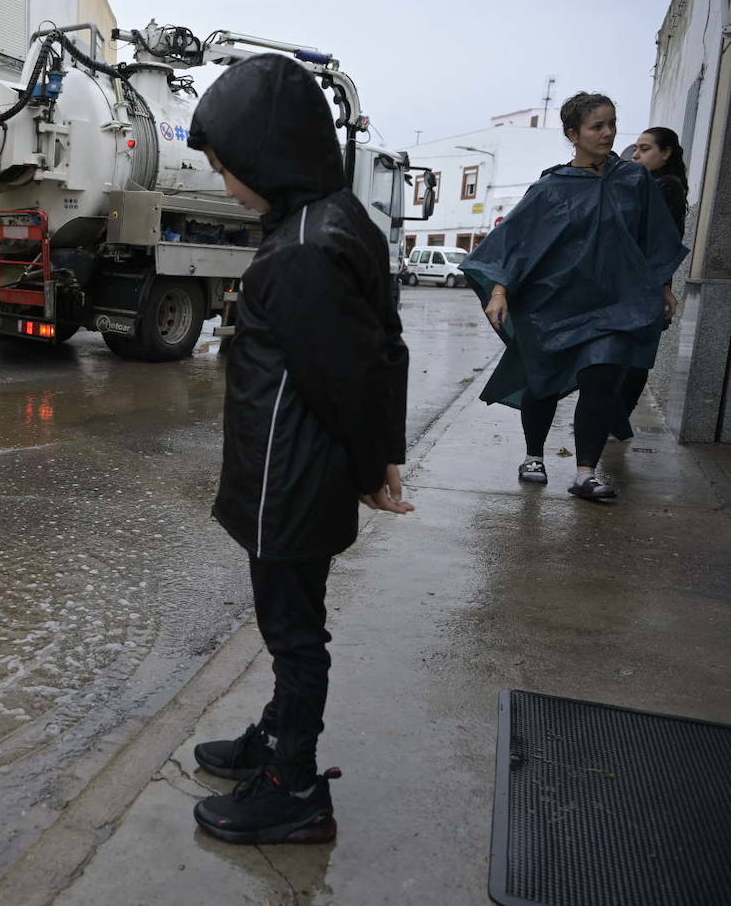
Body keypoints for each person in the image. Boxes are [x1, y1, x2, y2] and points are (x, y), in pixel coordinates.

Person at [184, 55, 413, 846]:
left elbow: (348, 373)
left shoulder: (302, 250)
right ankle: (276, 735)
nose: (226, 187)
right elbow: (381, 346)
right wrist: (380, 452)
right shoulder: (333, 218)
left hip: (289, 479)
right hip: (295, 473)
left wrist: (375, 462)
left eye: (227, 170)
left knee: (291, 631)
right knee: (293, 621)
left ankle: (293, 784)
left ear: (268, 153)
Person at [460, 93, 687, 500]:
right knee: (542, 381)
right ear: (573, 134)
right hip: (554, 303)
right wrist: (500, 290)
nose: (608, 133)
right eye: (597, 126)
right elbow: (517, 241)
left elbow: (654, 237)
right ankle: (534, 455)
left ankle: (586, 472)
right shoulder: (551, 188)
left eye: (612, 124)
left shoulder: (635, 181)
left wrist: (664, 284)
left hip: (618, 302)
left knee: (602, 378)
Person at [614, 127, 689, 438]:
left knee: (633, 359)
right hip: (638, 283)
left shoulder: (665, 187)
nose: (636, 155)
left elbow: (659, 243)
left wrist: (662, 287)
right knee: (626, 357)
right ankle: (614, 421)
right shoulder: (649, 184)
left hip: (643, 285)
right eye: (636, 149)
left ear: (666, 153)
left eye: (645, 149)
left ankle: (616, 421)